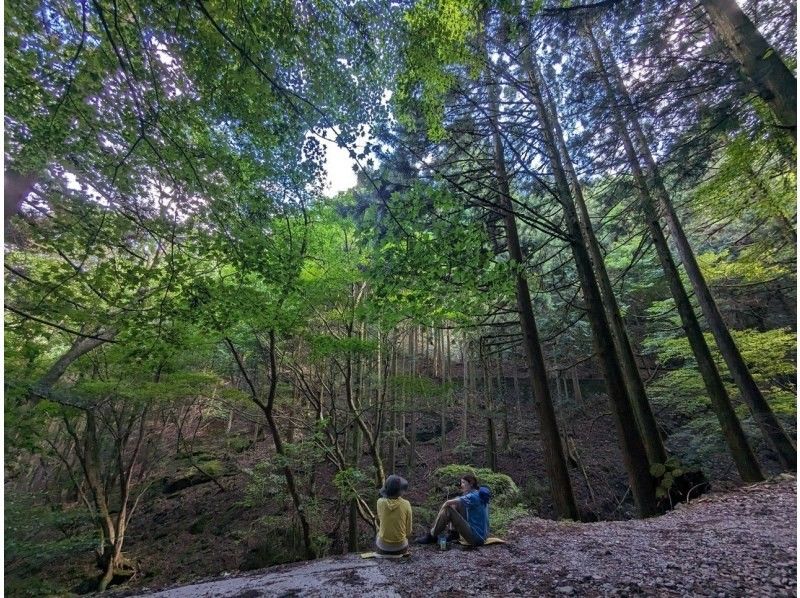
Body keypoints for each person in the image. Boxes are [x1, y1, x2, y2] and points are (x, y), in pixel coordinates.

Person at [415, 473, 491, 546]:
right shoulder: (479, 494)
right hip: (483, 536)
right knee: (457, 502)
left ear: (471, 484)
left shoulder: (472, 496)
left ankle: (431, 536)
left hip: (476, 538)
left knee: (448, 509)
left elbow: (447, 503)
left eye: (463, 483)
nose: (461, 485)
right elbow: (458, 502)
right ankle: (453, 534)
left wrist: (442, 511)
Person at [375, 474, 413, 555]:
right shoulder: (406, 504)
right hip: (401, 548)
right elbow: (408, 532)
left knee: (378, 534)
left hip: (383, 548)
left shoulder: (380, 502)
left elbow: (381, 519)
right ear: (400, 491)